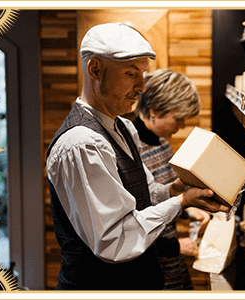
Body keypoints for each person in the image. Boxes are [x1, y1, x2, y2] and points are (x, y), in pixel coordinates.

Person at [45, 23, 229, 290]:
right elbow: (115, 239)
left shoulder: (124, 127)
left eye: (142, 74)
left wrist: (175, 189)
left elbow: (144, 194)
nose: (142, 87)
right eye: (132, 74)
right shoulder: (81, 144)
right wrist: (182, 201)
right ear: (95, 69)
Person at [132, 69, 210, 290]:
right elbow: (129, 228)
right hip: (148, 269)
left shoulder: (162, 142)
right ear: (155, 110)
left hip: (170, 264)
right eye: (179, 118)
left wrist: (188, 210)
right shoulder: (131, 150)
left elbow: (160, 197)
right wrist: (172, 246)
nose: (182, 125)